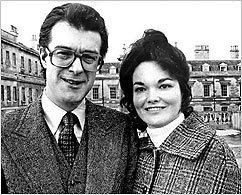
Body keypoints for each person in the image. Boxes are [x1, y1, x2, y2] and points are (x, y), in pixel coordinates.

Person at [1, 3, 138, 194]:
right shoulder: (4, 131)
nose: (77, 68)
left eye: (89, 57)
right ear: (43, 56)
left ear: (99, 63)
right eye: (64, 54)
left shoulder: (122, 129)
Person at [119, 29, 241, 194]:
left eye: (164, 86)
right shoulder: (128, 150)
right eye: (140, 89)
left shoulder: (218, 157)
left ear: (182, 90)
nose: (152, 98)